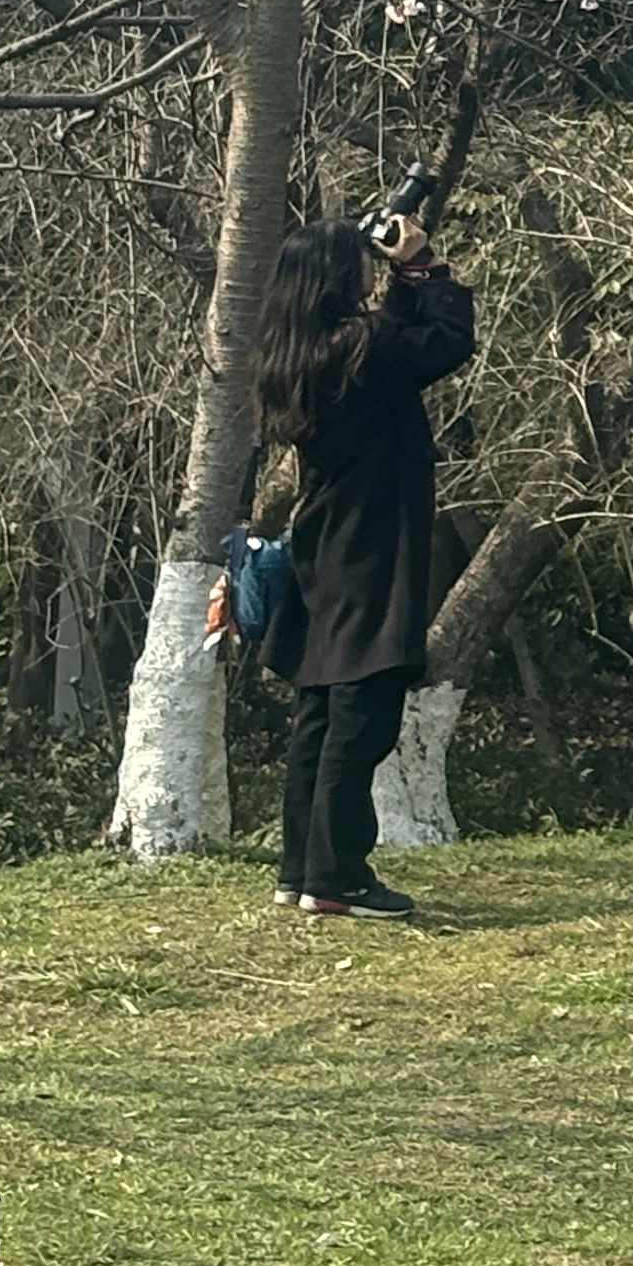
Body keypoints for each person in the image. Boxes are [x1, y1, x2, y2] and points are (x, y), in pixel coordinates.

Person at [250, 207, 474, 923]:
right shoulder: (362, 347)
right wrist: (424, 269)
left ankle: (302, 867)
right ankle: (337, 876)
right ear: (338, 279)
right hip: (375, 540)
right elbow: (441, 344)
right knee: (362, 713)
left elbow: (394, 342)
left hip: (326, 538)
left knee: (321, 708)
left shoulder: (297, 353)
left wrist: (403, 280)